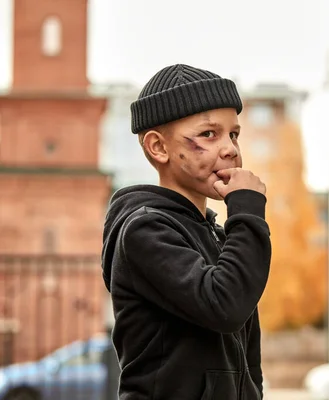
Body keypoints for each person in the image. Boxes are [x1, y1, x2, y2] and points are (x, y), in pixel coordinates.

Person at [101, 64, 271, 399]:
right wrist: (248, 211)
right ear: (158, 147)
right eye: (209, 134)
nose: (230, 149)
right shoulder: (144, 230)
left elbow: (250, 359)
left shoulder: (221, 235)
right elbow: (226, 306)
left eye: (233, 134)